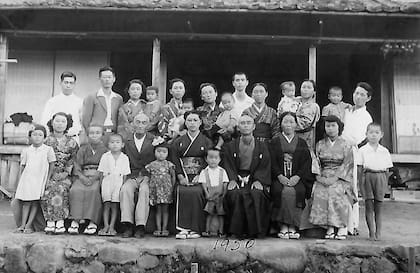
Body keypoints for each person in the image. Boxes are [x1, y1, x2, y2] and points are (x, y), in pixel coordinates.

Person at [223, 115, 271, 239]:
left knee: (257, 193)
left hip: (254, 177)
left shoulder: (262, 146)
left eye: (248, 123)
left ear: (254, 126)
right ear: (238, 127)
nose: (245, 125)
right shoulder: (230, 146)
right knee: (234, 193)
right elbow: (227, 164)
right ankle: (236, 231)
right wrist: (232, 179)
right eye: (242, 123)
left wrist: (259, 180)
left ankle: (255, 231)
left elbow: (265, 164)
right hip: (237, 177)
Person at [307, 115, 355, 240]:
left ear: (339, 127)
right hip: (323, 175)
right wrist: (318, 177)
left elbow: (347, 164)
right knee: (320, 191)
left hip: (340, 177)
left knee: (336, 191)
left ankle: (341, 226)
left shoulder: (346, 145)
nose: (330, 128)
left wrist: (335, 178)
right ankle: (329, 227)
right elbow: (315, 162)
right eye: (328, 126)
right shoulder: (320, 144)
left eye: (333, 125)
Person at [171, 110, 213, 239]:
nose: (192, 123)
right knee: (181, 191)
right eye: (189, 120)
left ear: (200, 122)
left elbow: (209, 160)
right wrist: (180, 176)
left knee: (197, 192)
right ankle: (182, 229)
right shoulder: (178, 142)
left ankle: (196, 229)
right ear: (185, 123)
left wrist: (200, 176)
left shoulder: (206, 141)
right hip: (183, 175)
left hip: (200, 176)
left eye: (195, 120)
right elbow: (175, 160)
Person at [270, 112, 312, 239]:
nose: (288, 125)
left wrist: (297, 177)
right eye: (285, 122)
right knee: (279, 191)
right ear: (281, 124)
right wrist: (279, 176)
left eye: (291, 122)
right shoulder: (274, 141)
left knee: (298, 191)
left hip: (296, 178)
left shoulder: (302, 142)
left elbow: (306, 163)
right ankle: (283, 226)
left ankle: (293, 226)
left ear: (296, 124)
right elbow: (270, 161)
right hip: (279, 178)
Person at [341, 82, 373, 236]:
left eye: (362, 94)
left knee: (352, 187)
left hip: (354, 152)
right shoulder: (347, 110)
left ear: (368, 98)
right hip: (340, 150)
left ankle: (352, 224)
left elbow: (360, 138)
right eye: (356, 93)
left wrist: (349, 144)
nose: (358, 96)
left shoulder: (366, 116)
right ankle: (340, 222)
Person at [14, 125, 56, 233]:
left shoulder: (48, 150)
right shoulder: (27, 150)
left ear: (45, 138)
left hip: (40, 179)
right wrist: (20, 181)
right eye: (34, 134)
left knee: (34, 202)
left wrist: (48, 179)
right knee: (26, 202)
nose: (37, 137)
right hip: (27, 179)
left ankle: (29, 225)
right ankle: (22, 225)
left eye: (40, 135)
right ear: (30, 136)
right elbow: (23, 166)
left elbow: (52, 164)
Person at [119, 113, 155, 238]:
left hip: (147, 175)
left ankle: (140, 226)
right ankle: (128, 225)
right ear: (133, 124)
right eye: (138, 122)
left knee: (145, 191)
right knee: (125, 190)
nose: (140, 125)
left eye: (144, 122)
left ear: (148, 125)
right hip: (132, 175)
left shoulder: (153, 139)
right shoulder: (127, 140)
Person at [42, 112, 79, 234]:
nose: (60, 124)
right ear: (52, 123)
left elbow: (74, 159)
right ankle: (51, 221)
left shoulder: (72, 142)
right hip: (49, 173)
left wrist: (65, 173)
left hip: (65, 174)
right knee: (49, 188)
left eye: (63, 121)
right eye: (57, 121)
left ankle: (60, 221)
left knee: (61, 187)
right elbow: (42, 160)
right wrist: (50, 174)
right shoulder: (46, 141)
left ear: (67, 124)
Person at [68, 125, 108, 235]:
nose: (94, 135)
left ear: (102, 135)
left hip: (98, 176)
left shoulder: (105, 150)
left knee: (94, 190)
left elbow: (105, 167)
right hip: (83, 175)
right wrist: (82, 177)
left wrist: (95, 178)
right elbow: (77, 165)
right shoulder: (83, 149)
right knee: (75, 190)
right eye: (92, 133)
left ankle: (92, 222)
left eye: (97, 133)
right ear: (88, 135)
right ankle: (75, 220)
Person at [357, 123, 393, 241]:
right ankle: (371, 233)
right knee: (368, 205)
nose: (373, 135)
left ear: (381, 135)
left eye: (376, 133)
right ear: (366, 134)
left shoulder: (384, 151)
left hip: (380, 177)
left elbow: (387, 170)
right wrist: (361, 185)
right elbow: (360, 170)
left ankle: (378, 233)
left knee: (378, 207)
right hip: (368, 176)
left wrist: (385, 184)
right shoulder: (362, 150)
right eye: (371, 132)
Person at [98, 133, 131, 236]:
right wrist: (100, 185)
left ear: (122, 144)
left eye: (117, 142)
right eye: (112, 142)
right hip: (107, 182)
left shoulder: (124, 158)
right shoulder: (105, 156)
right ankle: (106, 225)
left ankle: (112, 226)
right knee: (106, 204)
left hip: (118, 183)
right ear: (108, 144)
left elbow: (125, 175)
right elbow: (101, 173)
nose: (115, 145)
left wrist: (122, 186)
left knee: (115, 205)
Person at [145, 136, 176, 237]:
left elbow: (173, 176)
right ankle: (158, 228)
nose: (161, 154)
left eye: (164, 152)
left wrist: (172, 187)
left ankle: (165, 228)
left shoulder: (169, 165)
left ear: (167, 153)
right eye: (158, 151)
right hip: (156, 190)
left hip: (166, 190)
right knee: (158, 210)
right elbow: (149, 177)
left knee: (165, 210)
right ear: (154, 152)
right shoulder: (151, 165)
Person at [82, 66, 123, 135]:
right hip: (96, 134)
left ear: (114, 79)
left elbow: (120, 118)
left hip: (113, 133)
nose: (107, 80)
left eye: (109, 77)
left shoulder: (118, 98)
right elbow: (86, 120)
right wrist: (91, 134)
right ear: (100, 79)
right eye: (104, 77)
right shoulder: (91, 97)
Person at [41, 71, 83, 140]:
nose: (68, 85)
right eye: (66, 82)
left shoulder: (80, 102)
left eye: (71, 83)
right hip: (55, 139)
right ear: (61, 83)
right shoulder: (52, 101)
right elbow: (44, 121)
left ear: (74, 84)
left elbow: (83, 123)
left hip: (74, 138)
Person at [199, 148, 229, 237]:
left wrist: (224, 193)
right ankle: (207, 231)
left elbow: (225, 183)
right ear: (206, 159)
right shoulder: (204, 172)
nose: (213, 160)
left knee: (221, 214)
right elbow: (203, 184)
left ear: (220, 159)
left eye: (216, 158)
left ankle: (221, 232)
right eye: (211, 157)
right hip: (210, 196)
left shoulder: (222, 171)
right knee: (209, 213)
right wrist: (207, 193)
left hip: (220, 196)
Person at [295, 80, 320, 151]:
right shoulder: (293, 102)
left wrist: (288, 122)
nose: (306, 89)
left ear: (314, 92)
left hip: (305, 140)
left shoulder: (314, 106)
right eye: (303, 87)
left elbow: (303, 124)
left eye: (309, 87)